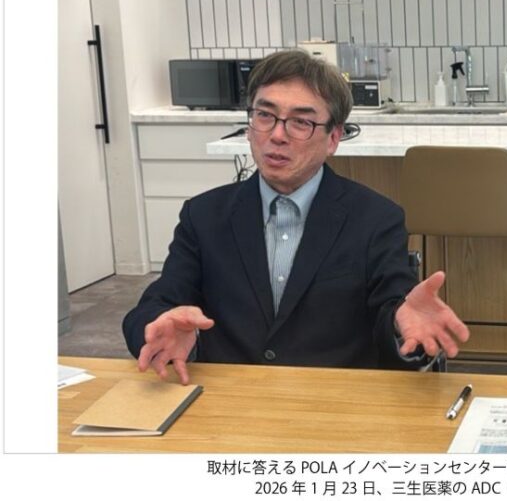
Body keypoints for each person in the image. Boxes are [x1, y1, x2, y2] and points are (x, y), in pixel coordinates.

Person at [123, 50, 469, 384]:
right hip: (231, 399)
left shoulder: (376, 219)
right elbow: (157, 304)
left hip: (333, 402)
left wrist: (399, 324)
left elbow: (392, 311)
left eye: (301, 122)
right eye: (265, 115)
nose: (277, 135)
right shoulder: (203, 216)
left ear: (333, 138)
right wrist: (157, 326)